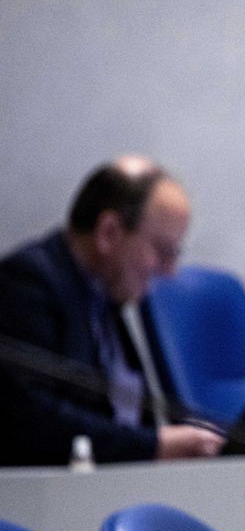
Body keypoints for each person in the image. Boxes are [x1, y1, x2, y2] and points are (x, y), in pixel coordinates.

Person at [0, 156, 225, 466]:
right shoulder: (28, 283)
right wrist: (152, 446)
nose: (171, 271)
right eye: (163, 251)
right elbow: (31, 420)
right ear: (108, 232)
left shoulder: (107, 292)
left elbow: (127, 415)